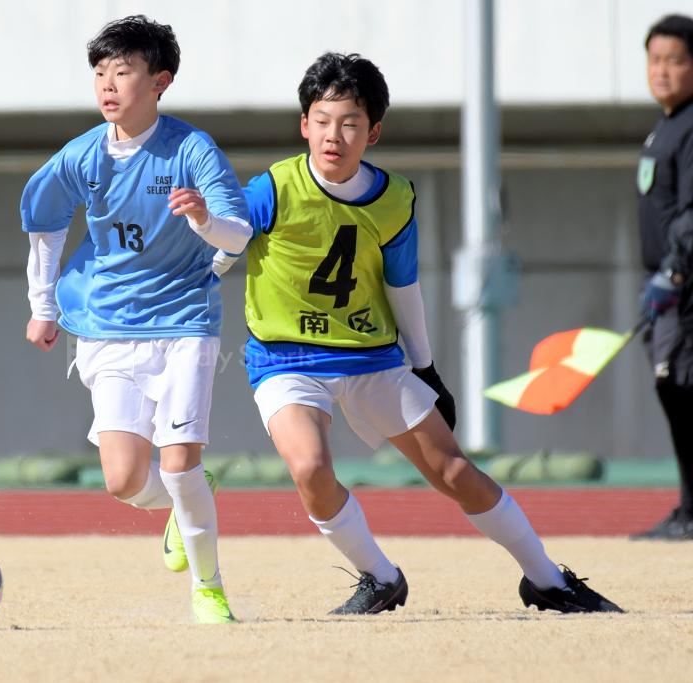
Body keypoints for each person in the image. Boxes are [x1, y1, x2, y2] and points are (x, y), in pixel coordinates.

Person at [214, 52, 623, 614]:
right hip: (286, 360)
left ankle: (548, 579)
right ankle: (380, 576)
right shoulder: (273, 188)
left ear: (373, 132)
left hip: (372, 359)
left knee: (455, 471)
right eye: (323, 120)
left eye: (351, 122)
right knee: (310, 468)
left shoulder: (395, 198)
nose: (335, 135)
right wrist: (198, 251)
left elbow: (404, 288)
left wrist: (426, 368)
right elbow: (228, 241)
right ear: (304, 124)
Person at [20, 15, 251, 623]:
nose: (108, 85)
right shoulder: (82, 156)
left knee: (179, 461)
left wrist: (203, 221)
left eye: (123, 71)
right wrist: (43, 307)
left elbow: (239, 233)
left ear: (159, 81)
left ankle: (209, 588)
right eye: (100, 73)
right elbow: (44, 226)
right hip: (107, 325)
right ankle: (186, 503)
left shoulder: (192, 150)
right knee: (123, 481)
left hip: (184, 322)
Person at [631, 15, 693, 541]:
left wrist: (673, 273)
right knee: (674, 391)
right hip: (667, 288)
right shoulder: (665, 126)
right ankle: (688, 508)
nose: (663, 71)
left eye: (676, 60)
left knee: (683, 388)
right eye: (656, 60)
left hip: (685, 289)